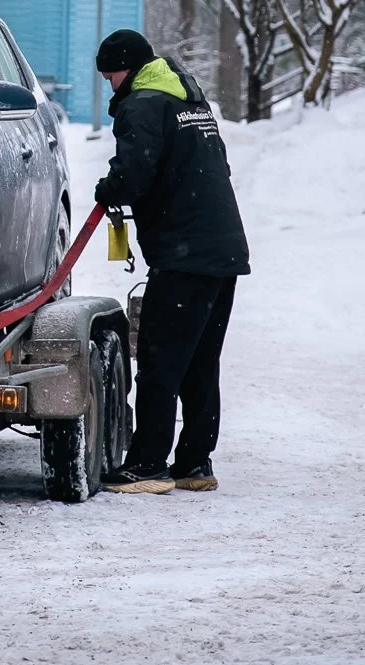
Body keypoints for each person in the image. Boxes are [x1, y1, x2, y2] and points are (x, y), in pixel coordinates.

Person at [92, 28, 250, 496]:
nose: (110, 84)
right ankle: (194, 463)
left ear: (127, 68)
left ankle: (146, 465)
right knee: (200, 361)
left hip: (186, 257)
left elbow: (135, 171)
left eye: (111, 75)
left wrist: (110, 189)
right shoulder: (189, 102)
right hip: (221, 252)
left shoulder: (143, 104)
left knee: (160, 361)